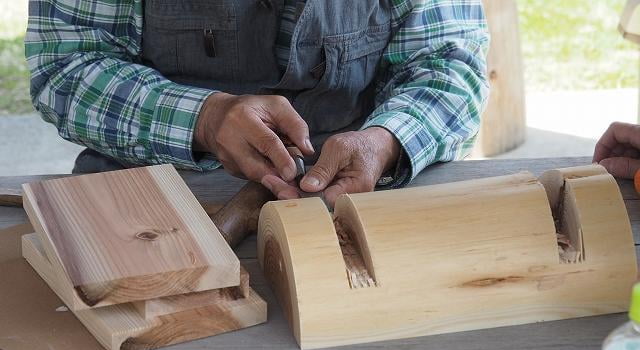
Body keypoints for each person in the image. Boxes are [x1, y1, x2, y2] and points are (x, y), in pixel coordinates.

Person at [26, 0, 489, 206]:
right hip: (149, 197)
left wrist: (386, 140)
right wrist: (203, 119)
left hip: (350, 202)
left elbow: (449, 65)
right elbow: (68, 66)